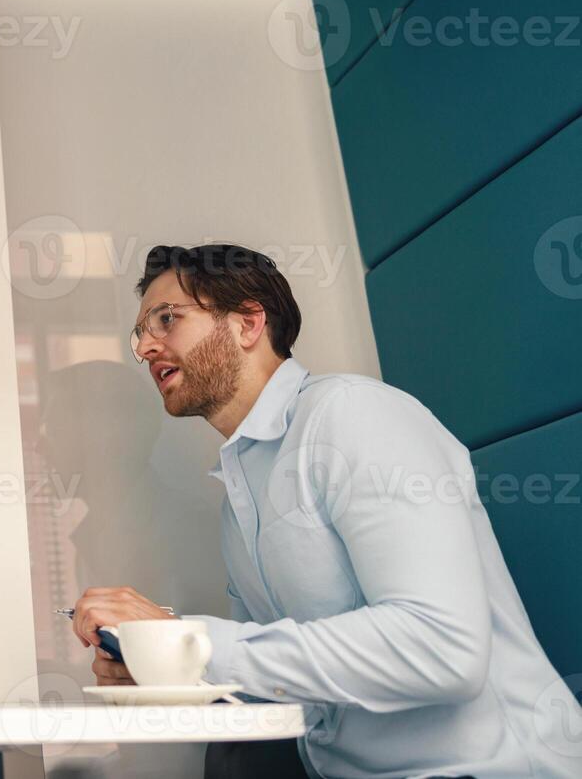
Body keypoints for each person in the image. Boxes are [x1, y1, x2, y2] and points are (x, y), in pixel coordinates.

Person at [73, 244, 579, 778]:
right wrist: (166, 668)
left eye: (166, 319)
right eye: (141, 335)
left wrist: (192, 644)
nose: (147, 347)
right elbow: (282, 684)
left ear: (247, 323)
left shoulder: (350, 415)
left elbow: (441, 648)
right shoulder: (240, 496)